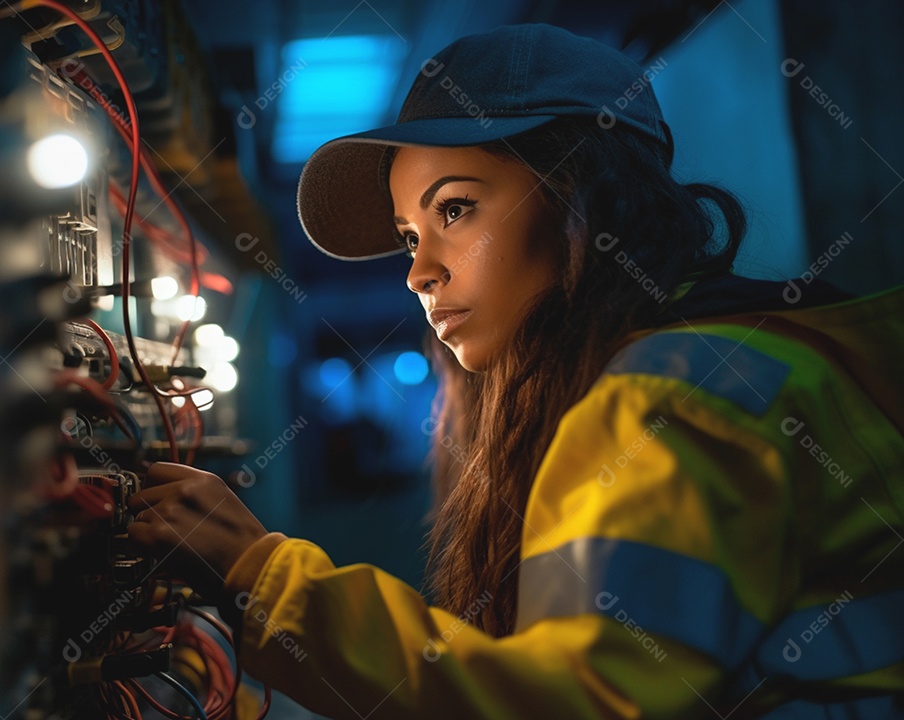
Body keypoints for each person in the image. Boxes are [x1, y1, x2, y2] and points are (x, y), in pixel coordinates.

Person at [126, 23, 904, 719]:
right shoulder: (761, 355)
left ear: (583, 198)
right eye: (407, 236)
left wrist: (264, 578)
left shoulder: (669, 399)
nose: (418, 273)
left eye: (455, 209)